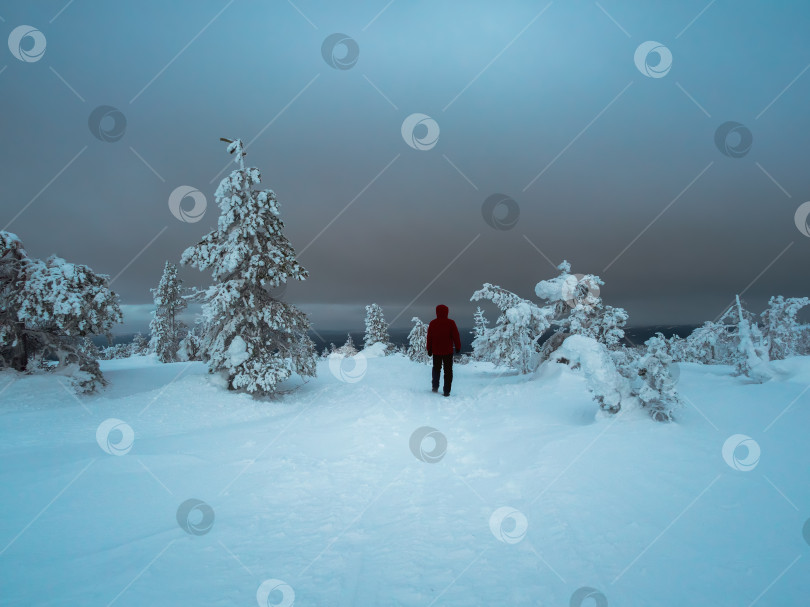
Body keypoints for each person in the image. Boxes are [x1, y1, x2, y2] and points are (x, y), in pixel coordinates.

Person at [426, 304, 461, 396]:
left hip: (436, 351)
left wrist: (429, 349)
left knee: (436, 369)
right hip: (448, 352)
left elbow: (429, 337)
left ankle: (435, 387)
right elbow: (456, 336)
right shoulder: (451, 323)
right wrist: (458, 346)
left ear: (437, 312)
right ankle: (446, 391)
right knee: (448, 371)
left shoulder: (433, 323)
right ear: (447, 312)